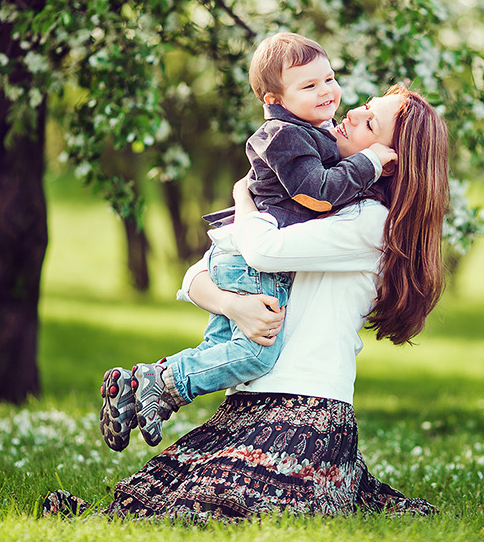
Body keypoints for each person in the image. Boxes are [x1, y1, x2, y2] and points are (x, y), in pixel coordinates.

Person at [44, 83, 449, 521]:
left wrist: (243, 199)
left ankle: (157, 385)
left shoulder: (370, 223)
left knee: (218, 507)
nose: (351, 113)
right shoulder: (317, 198)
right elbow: (199, 273)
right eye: (365, 106)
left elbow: (260, 251)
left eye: (370, 122)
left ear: (388, 164)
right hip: (246, 401)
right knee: (158, 498)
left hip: (305, 408)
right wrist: (233, 306)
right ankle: (156, 383)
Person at [98, 32, 397, 452]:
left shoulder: (330, 156)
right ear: (274, 98)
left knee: (219, 349)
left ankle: (144, 391)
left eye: (329, 79)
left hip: (239, 253)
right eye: (309, 86)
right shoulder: (286, 134)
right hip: (248, 260)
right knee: (254, 355)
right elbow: (316, 195)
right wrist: (367, 161)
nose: (329, 93)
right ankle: (161, 381)